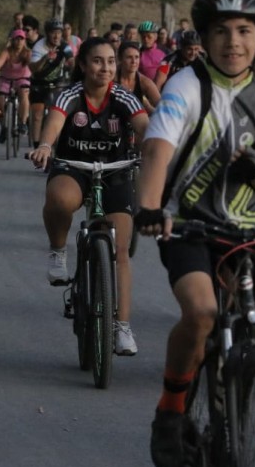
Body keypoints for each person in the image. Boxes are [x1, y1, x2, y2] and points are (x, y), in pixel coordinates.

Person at [134, 0, 255, 467]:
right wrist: (149, 207)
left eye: (246, 31)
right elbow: (158, 149)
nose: (234, 42)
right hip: (188, 225)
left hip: (253, 224)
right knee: (203, 311)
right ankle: (170, 411)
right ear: (205, 38)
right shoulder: (187, 86)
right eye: (222, 31)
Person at [29, 37, 149, 356]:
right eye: (97, 61)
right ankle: (58, 252)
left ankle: (121, 327)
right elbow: (54, 122)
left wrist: (157, 150)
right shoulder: (70, 95)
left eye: (111, 61)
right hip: (74, 168)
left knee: (120, 251)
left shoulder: (123, 96)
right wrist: (44, 145)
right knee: (60, 200)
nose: (105, 68)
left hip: (117, 171)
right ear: (82, 64)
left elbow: (145, 126)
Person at [29, 19, 74, 144]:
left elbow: (71, 60)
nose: (56, 36)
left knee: (58, 112)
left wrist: (73, 67)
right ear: (48, 33)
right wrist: (45, 58)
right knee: (38, 114)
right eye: (53, 33)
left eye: (59, 33)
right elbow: (33, 68)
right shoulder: (39, 46)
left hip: (57, 82)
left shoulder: (64, 45)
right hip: (39, 82)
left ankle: (58, 142)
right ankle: (37, 144)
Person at [0, 29, 32, 144]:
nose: (19, 42)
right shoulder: (7, 52)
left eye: (21, 39)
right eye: (16, 39)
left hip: (22, 79)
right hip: (6, 79)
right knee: (0, 101)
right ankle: (3, 127)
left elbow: (33, 65)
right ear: (12, 40)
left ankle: (22, 123)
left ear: (24, 41)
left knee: (24, 94)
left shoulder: (27, 53)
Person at [116, 41, 161, 112]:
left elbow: (162, 107)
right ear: (120, 58)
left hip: (136, 120)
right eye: (129, 57)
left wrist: (149, 109)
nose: (134, 61)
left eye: (137, 57)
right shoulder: (111, 78)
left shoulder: (145, 82)